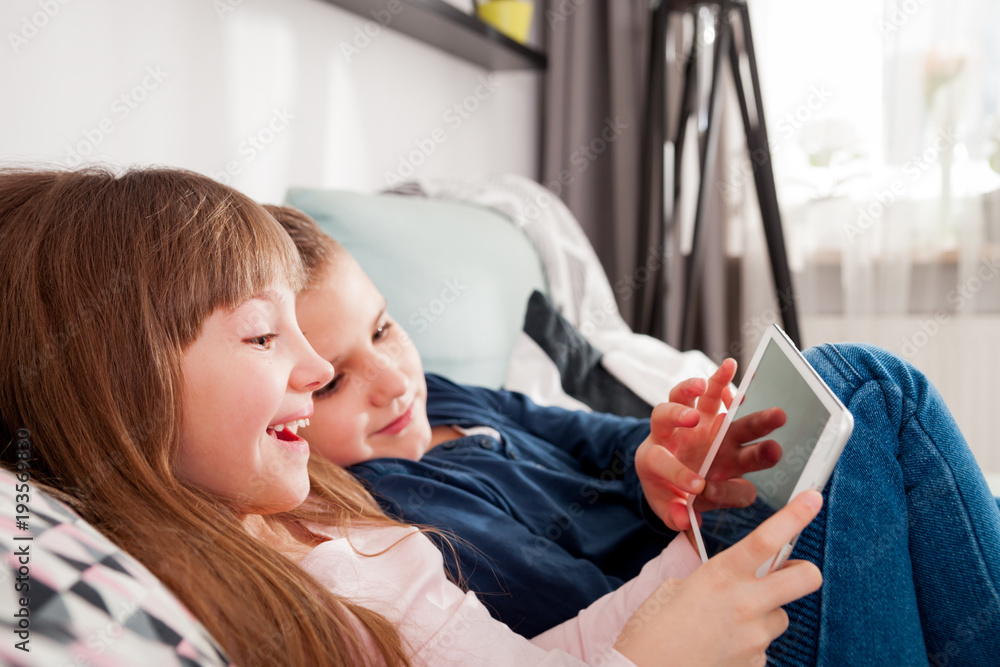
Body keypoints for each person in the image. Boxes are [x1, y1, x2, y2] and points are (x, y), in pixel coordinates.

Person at [0, 166, 825, 667]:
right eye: (262, 334)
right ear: (127, 393)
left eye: (383, 328)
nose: (318, 366)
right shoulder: (257, 598)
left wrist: (688, 557)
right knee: (871, 389)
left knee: (852, 403)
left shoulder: (318, 512)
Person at [270, 204, 1000, 666]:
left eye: (384, 328)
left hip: (699, 557)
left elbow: (600, 439)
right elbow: (594, 612)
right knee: (870, 388)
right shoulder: (391, 515)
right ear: (286, 404)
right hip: (716, 623)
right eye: (333, 380)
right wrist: (692, 524)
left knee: (860, 420)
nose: (393, 380)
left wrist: (663, 464)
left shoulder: (446, 399)